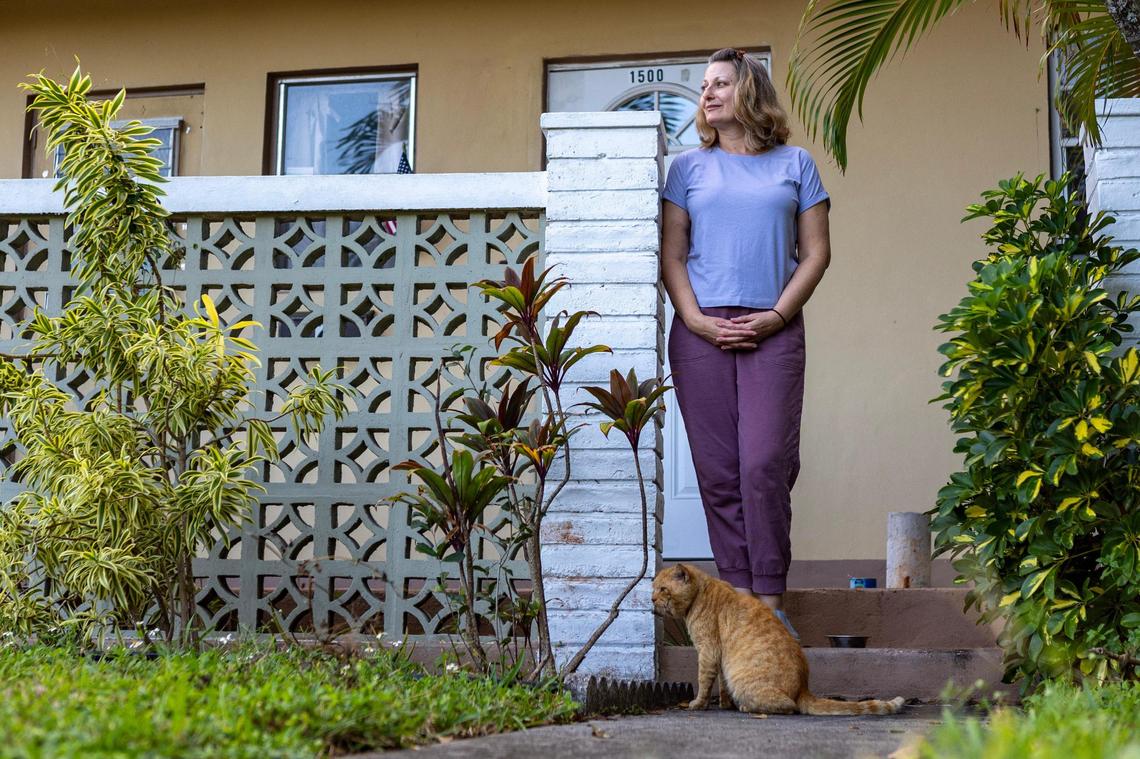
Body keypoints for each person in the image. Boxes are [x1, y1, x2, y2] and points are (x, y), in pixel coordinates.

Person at [661, 48, 832, 639]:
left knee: (764, 464)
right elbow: (672, 256)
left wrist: (778, 316)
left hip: (772, 329)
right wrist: (695, 320)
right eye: (704, 85)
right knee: (718, 472)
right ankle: (741, 607)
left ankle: (770, 604)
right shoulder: (687, 168)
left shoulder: (796, 163)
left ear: (750, 92)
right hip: (701, 333)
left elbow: (816, 254)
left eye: (721, 83)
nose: (707, 93)